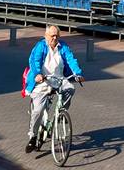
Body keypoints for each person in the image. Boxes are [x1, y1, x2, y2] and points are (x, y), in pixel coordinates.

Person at [24, 25, 83, 153]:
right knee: (38, 111)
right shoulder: (41, 46)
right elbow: (34, 61)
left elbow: (71, 59)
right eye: (52, 36)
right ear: (46, 36)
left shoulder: (63, 46)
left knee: (70, 88)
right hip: (43, 81)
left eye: (57, 35)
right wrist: (38, 74)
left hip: (58, 79)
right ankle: (33, 136)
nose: (54, 38)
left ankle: (60, 113)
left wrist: (77, 73)